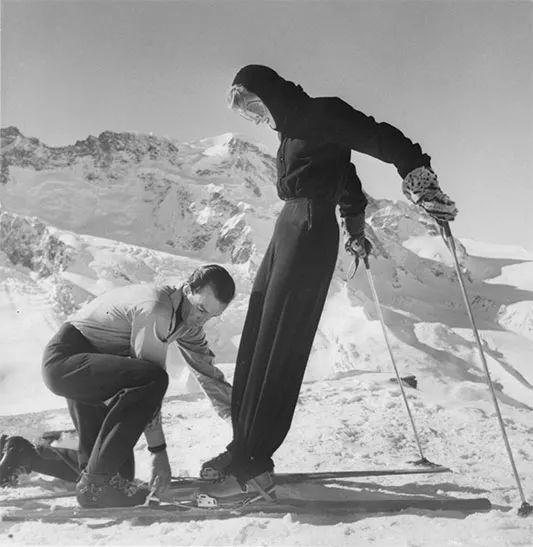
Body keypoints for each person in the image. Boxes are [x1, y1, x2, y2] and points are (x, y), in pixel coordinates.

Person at [199, 65, 458, 504]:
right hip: (288, 228)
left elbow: (378, 137)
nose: (257, 116)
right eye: (248, 112)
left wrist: (418, 175)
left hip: (309, 229)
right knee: (260, 336)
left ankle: (255, 465)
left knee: (283, 341)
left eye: (256, 105)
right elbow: (348, 181)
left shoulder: (321, 113)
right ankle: (241, 446)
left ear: (272, 93)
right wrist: (356, 228)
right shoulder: (292, 133)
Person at [0, 264, 235, 508]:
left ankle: (28, 454)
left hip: (93, 368)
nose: (201, 320)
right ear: (187, 290)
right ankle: (94, 487)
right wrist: (158, 452)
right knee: (153, 379)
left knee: (115, 469)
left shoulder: (187, 320)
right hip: (66, 359)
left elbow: (209, 375)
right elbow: (147, 384)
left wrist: (241, 431)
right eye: (201, 309)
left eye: (211, 316)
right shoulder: (158, 310)